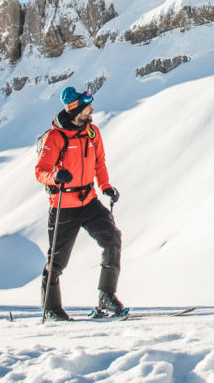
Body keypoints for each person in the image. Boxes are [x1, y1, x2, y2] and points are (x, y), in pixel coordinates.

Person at [35, 86, 124, 321]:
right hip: (64, 204)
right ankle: (52, 309)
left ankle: (106, 297)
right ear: (76, 110)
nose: (92, 110)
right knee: (56, 262)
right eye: (87, 108)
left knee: (112, 239)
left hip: (89, 201)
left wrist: (105, 186)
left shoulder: (92, 132)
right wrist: (55, 176)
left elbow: (99, 162)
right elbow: (41, 171)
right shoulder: (55, 138)